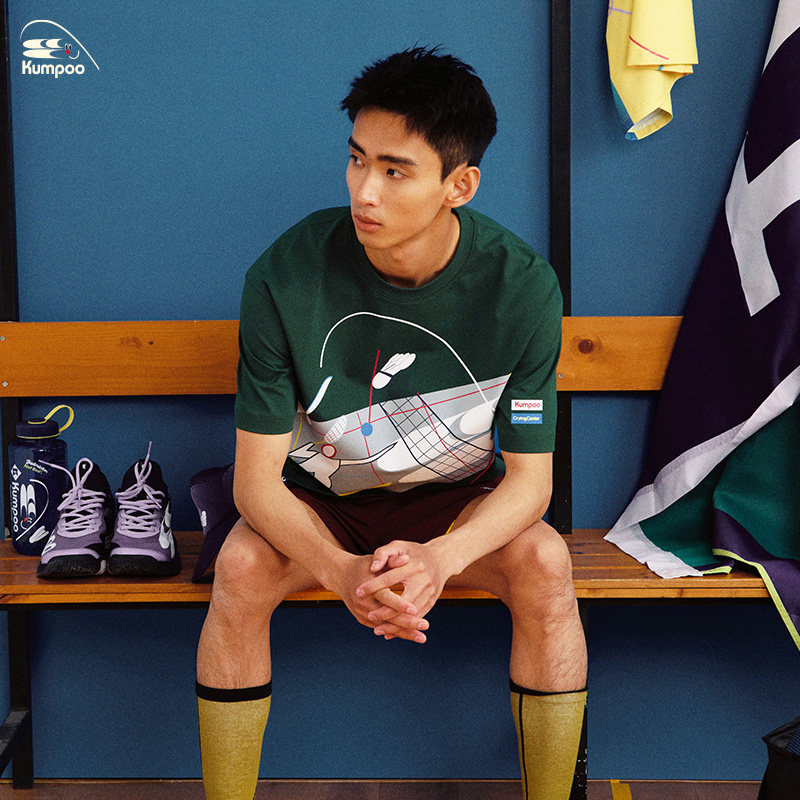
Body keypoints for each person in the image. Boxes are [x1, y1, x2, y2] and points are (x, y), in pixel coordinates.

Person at [195, 46, 587, 800]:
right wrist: (340, 571)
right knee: (241, 567)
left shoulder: (522, 287)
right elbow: (254, 484)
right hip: (321, 506)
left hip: (452, 506)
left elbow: (531, 483)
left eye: (395, 171)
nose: (364, 191)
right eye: (356, 160)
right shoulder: (285, 274)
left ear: (458, 186)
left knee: (545, 563)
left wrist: (442, 558)